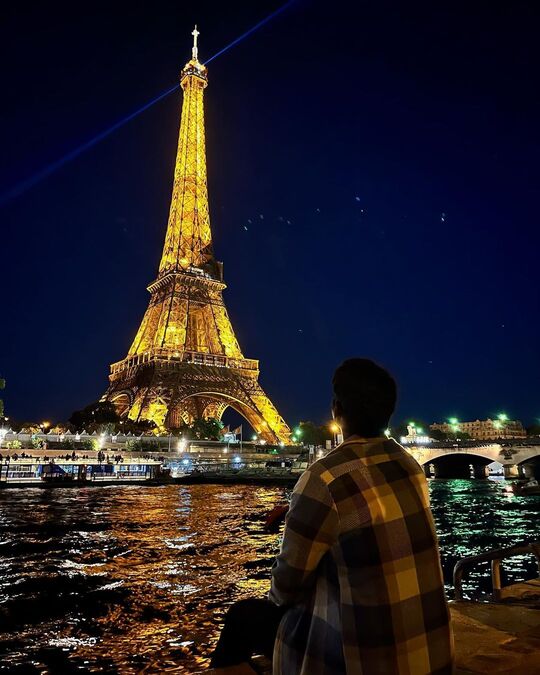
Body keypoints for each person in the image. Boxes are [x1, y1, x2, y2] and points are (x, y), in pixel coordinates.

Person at [211, 358, 453, 674]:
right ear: (387, 412)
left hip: (363, 658)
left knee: (242, 619)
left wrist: (301, 517)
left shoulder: (323, 479)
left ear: (336, 410)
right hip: (427, 653)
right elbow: (367, 514)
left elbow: (286, 588)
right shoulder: (410, 466)